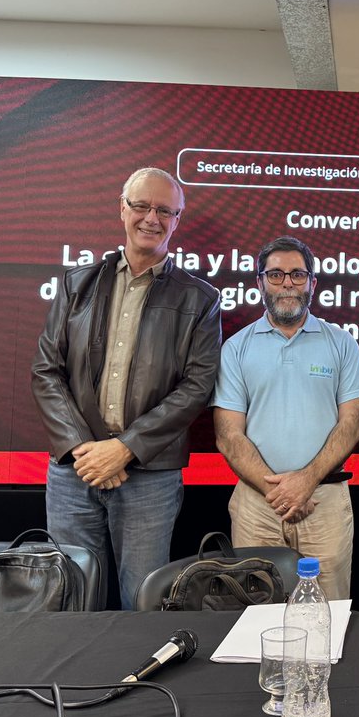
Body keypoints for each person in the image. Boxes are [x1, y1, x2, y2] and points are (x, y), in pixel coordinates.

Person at [31, 167, 221, 609]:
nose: (151, 218)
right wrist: (85, 449)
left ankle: (133, 682)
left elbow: (197, 386)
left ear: (177, 220)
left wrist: (125, 449)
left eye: (164, 210)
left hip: (149, 478)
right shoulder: (75, 284)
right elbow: (46, 370)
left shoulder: (201, 299)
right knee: (72, 599)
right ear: (122, 209)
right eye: (141, 206)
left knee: (143, 602)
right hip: (73, 473)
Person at [213, 236, 359, 600]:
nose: (288, 283)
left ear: (313, 283)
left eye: (298, 274)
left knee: (327, 616)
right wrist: (280, 493)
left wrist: (306, 481)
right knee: (257, 613)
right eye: (276, 275)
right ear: (260, 283)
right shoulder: (236, 348)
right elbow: (228, 435)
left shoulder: (341, 342)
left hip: (325, 500)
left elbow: (354, 423)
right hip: (257, 503)